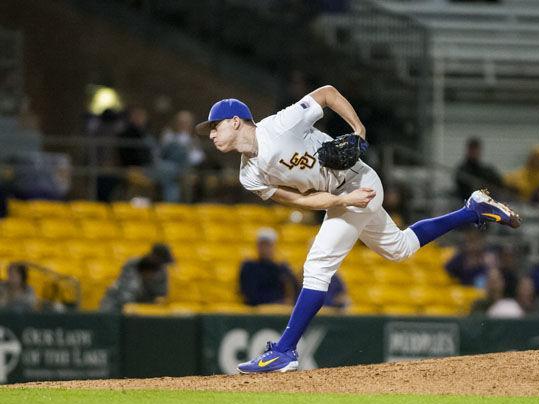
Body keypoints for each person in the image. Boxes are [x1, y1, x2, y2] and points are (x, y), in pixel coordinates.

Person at [196, 84, 521, 373]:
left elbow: (326, 93)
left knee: (317, 266)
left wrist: (358, 128)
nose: (211, 134)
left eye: (215, 126)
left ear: (236, 121)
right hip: (344, 195)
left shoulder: (278, 127)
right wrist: (341, 201)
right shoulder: (247, 175)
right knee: (400, 248)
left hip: (360, 182)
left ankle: (284, 350)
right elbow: (297, 201)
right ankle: (472, 210)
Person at [239, 228, 299, 306]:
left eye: (268, 245)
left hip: (278, 308)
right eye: (262, 244)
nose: (265, 248)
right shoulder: (249, 267)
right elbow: (248, 293)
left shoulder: (281, 268)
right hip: (256, 308)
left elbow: (293, 289)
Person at [156, 110, 205, 202]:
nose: (184, 125)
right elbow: (161, 154)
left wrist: (190, 148)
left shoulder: (193, 139)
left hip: (188, 169)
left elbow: (199, 158)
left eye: (187, 123)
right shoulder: (168, 135)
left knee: (188, 179)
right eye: (181, 122)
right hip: (170, 168)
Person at [99, 255, 166, 312]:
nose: (153, 277)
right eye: (153, 273)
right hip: (111, 312)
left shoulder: (137, 278)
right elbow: (126, 302)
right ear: (147, 271)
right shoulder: (132, 282)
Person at [454, 137, 504, 201]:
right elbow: (462, 188)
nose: (474, 152)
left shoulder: (486, 171)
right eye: (472, 150)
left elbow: (498, 182)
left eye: (476, 149)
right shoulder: (462, 170)